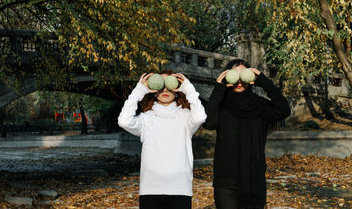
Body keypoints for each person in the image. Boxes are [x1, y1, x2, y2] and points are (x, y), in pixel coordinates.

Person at [204, 59, 291, 209]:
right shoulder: (221, 105)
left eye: (243, 74)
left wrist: (264, 81)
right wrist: (219, 87)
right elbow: (209, 123)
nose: (238, 80)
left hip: (253, 179)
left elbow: (284, 109)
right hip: (226, 182)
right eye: (234, 75)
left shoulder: (260, 106)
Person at [118, 70, 206, 209]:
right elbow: (124, 121)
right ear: (153, 90)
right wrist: (138, 92)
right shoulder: (146, 118)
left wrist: (189, 89)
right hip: (151, 188)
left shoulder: (186, 117)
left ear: (177, 90)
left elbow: (201, 117)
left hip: (180, 188)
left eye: (170, 85)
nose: (165, 89)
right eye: (161, 85)